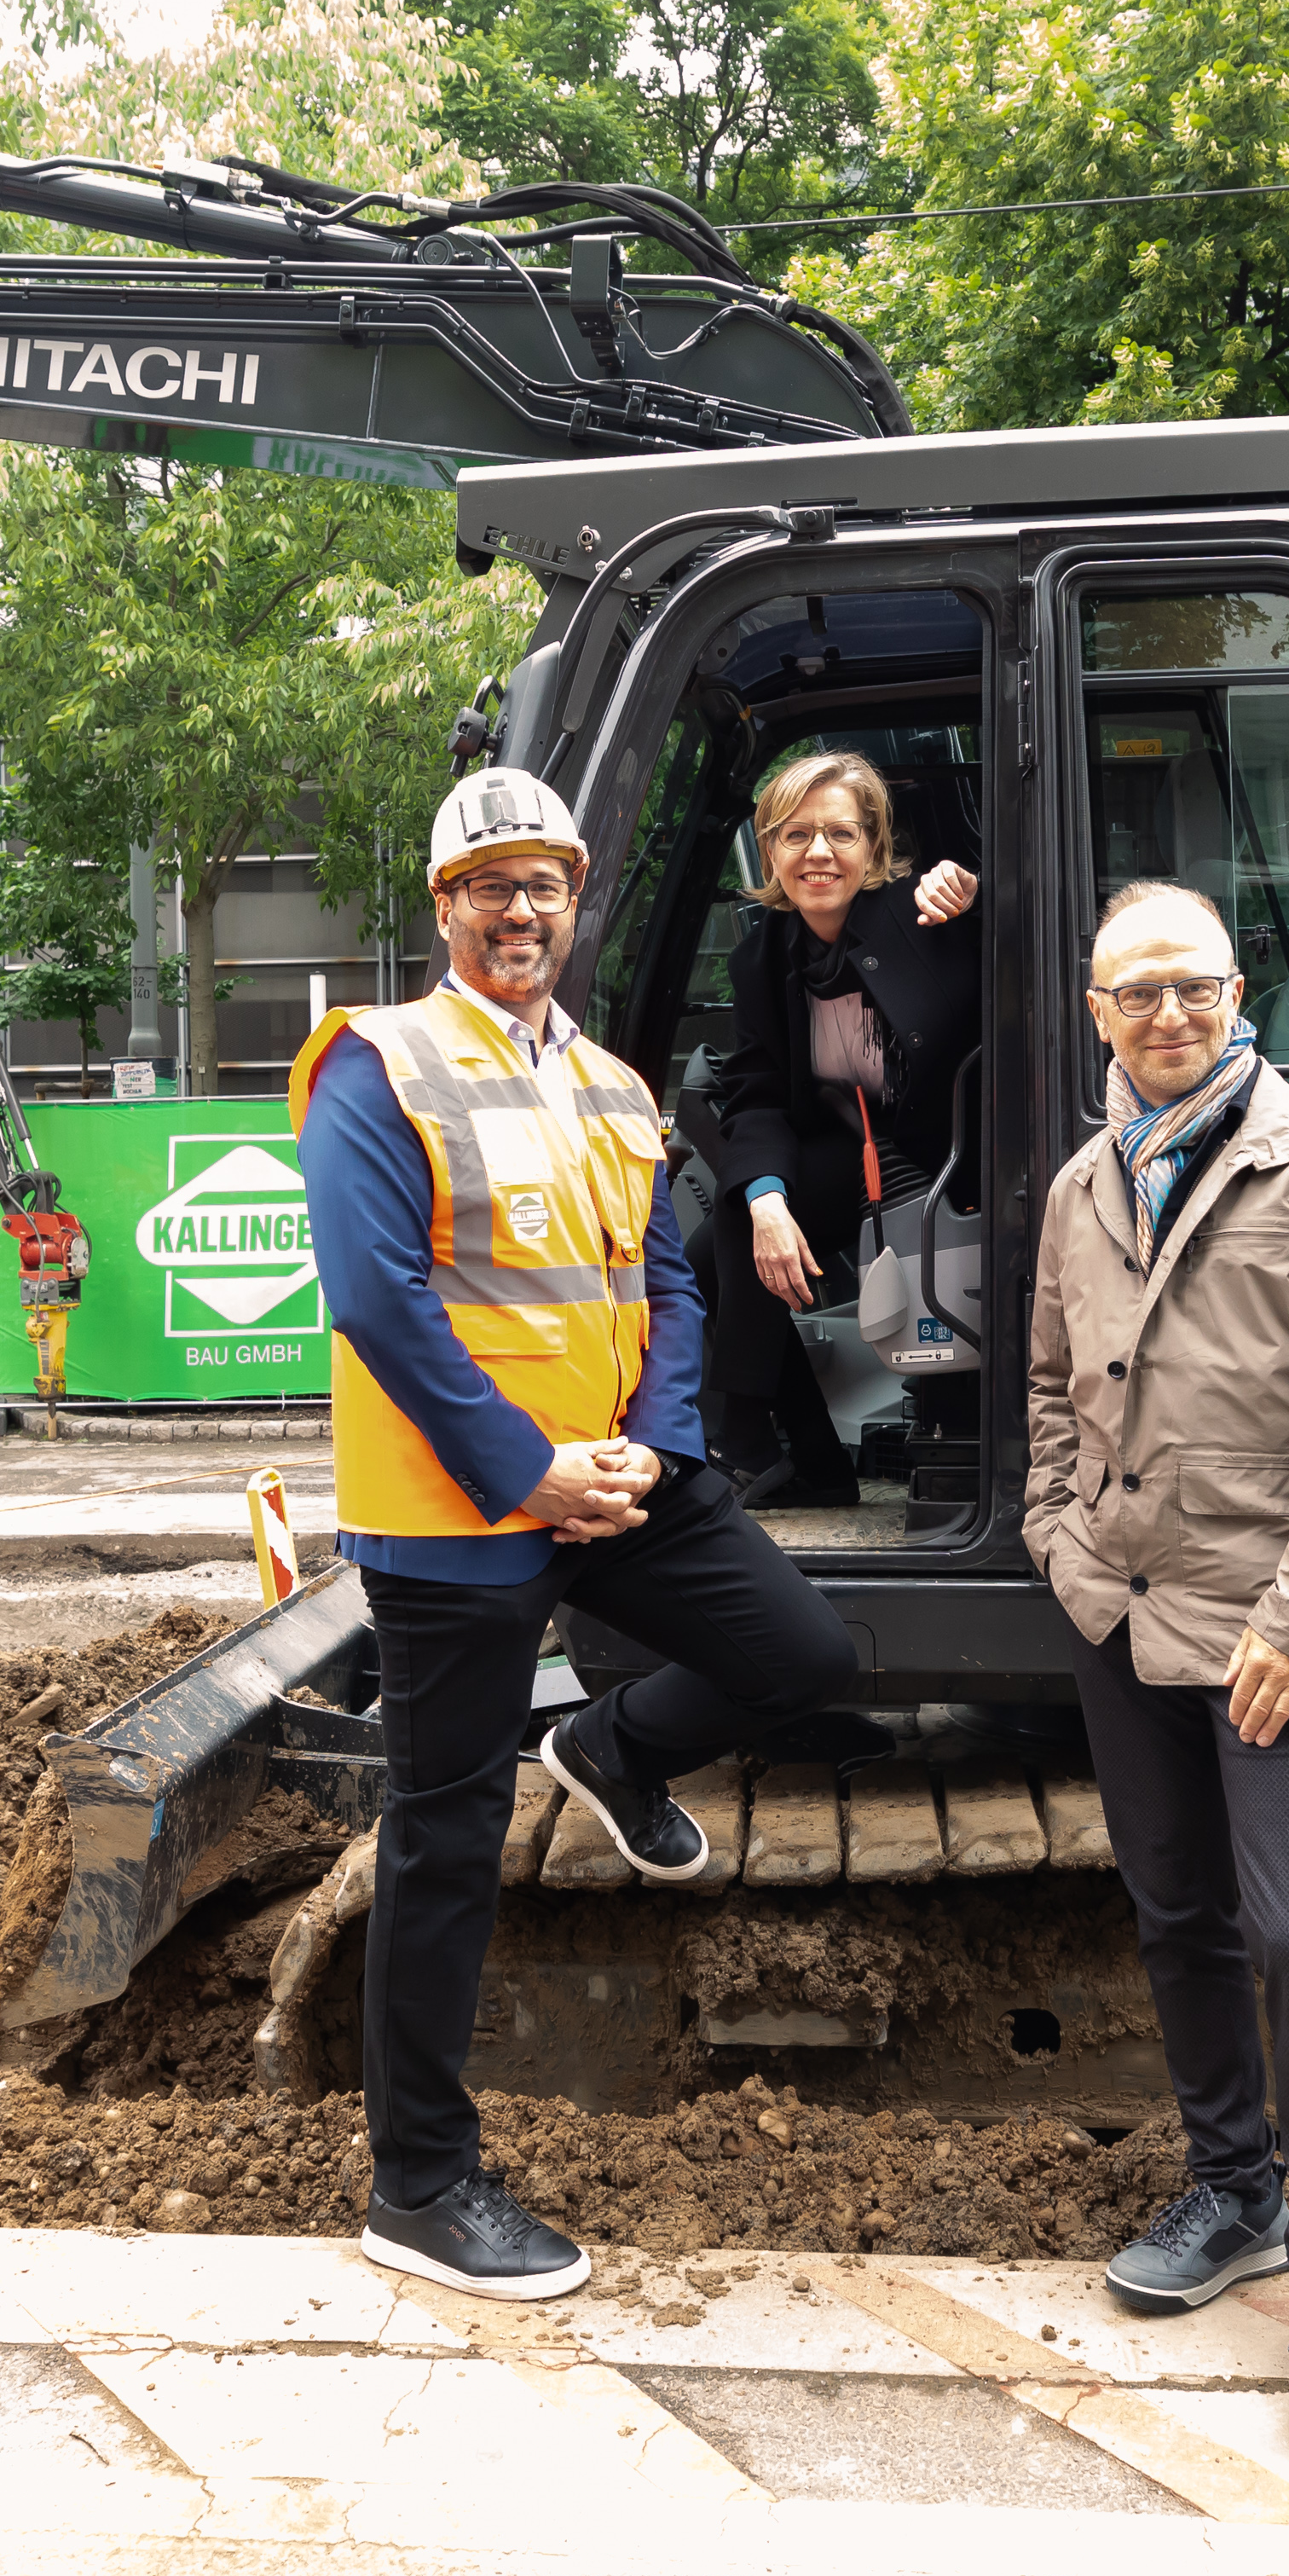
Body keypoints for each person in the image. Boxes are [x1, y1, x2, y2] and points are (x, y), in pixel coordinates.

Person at [294, 763, 856, 2301]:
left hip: (612, 1478)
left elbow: (667, 1282)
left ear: (574, 891)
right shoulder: (376, 1063)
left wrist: (654, 1450)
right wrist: (524, 1470)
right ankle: (415, 2181)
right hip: (454, 1513)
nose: (518, 905)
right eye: (489, 884)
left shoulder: (610, 1081)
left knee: (802, 1652)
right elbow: (377, 1300)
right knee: (446, 1838)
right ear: (444, 906)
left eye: (541, 879)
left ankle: (612, 1747)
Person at [1024, 880, 1289, 2454]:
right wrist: (1061, 1548)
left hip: (1266, 1627)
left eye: (1191, 986)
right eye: (1137, 993)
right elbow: (1053, 1392)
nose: (1167, 1014)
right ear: (1095, 1011)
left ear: (1235, 988)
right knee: (1174, 1911)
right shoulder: (1077, 1184)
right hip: (1121, 1615)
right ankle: (1229, 2185)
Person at [700, 749, 983, 1506]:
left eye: (840, 834)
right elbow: (756, 1089)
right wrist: (765, 1198)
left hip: (944, 1161)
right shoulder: (764, 955)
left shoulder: (926, 916)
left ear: (873, 846)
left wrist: (976, 894)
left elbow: (1016, 965)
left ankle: (746, 1441)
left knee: (739, 1224)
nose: (818, 852)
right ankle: (809, 1462)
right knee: (717, 1240)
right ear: (771, 851)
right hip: (844, 1160)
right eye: (795, 835)